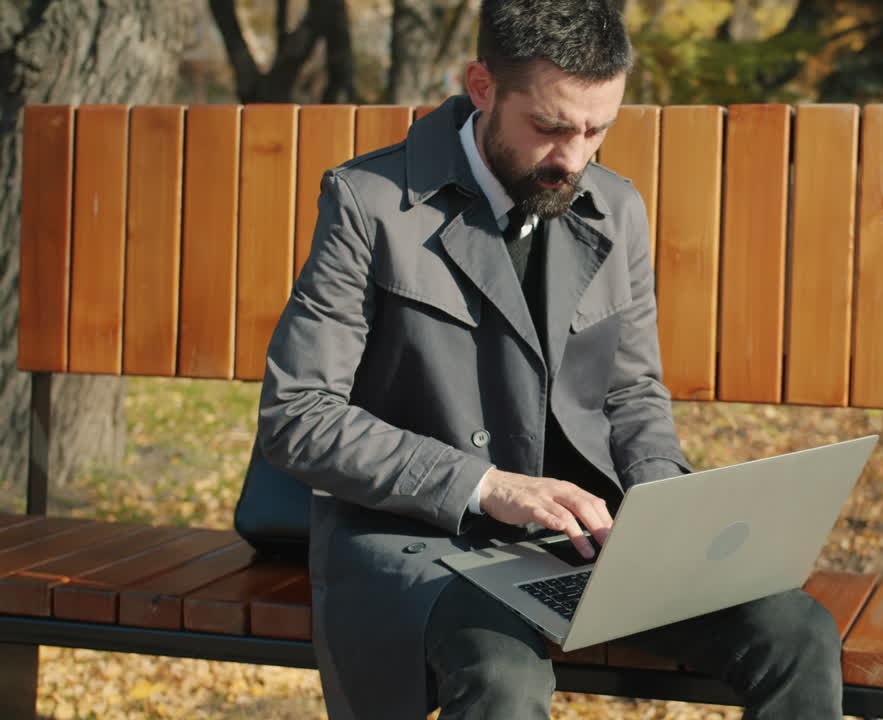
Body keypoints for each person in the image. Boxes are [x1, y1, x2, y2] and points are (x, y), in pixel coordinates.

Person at [256, 1, 844, 718]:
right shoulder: (369, 203)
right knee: (503, 677)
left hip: (583, 541)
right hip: (421, 538)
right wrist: (486, 486)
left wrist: (661, 511)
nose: (574, 158)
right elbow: (298, 416)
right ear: (482, 87)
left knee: (797, 634)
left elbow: (631, 393)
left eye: (597, 130)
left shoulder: (615, 207)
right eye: (550, 127)